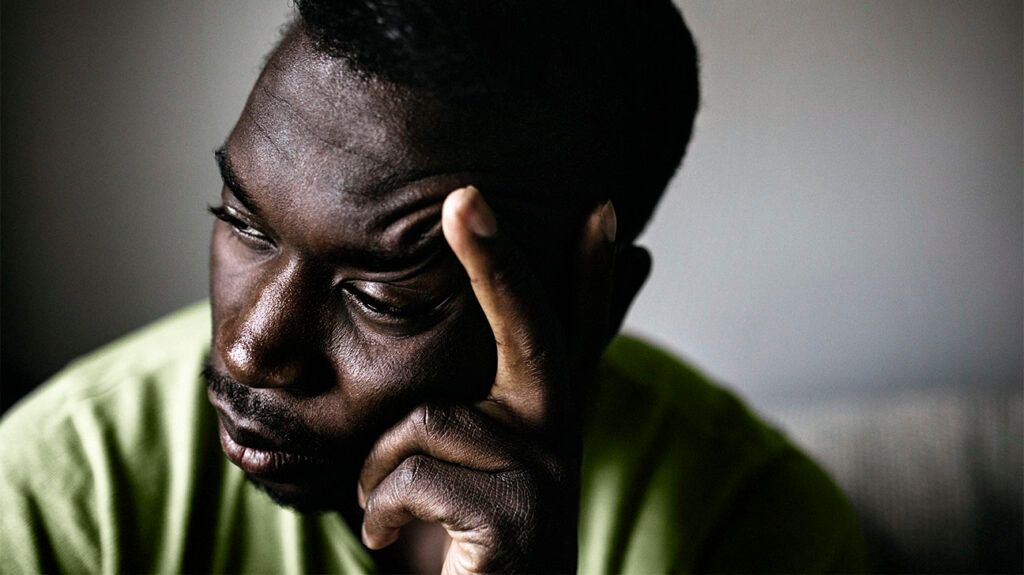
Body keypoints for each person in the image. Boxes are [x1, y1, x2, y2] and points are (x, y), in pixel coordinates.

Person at [0, 1, 867, 573]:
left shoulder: (748, 525)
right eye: (246, 222)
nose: (249, 346)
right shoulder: (66, 491)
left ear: (588, 307)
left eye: (384, 296)